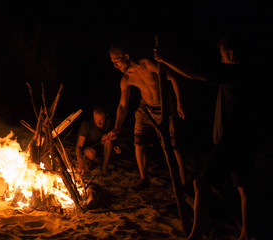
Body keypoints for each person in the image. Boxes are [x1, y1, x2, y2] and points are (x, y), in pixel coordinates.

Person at [155, 35, 257, 240]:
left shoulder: (235, 72)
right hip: (244, 139)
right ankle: (246, 234)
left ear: (230, 53)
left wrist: (166, 59)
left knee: (201, 182)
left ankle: (195, 235)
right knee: (244, 188)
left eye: (221, 53)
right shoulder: (244, 72)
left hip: (230, 141)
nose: (220, 57)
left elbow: (195, 74)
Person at [107, 44, 186, 190]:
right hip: (146, 109)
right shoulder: (126, 78)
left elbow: (173, 78)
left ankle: (183, 181)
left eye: (116, 61)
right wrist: (116, 128)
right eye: (112, 62)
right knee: (139, 143)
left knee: (174, 147)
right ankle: (144, 179)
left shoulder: (147, 64)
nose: (115, 65)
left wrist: (179, 103)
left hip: (165, 108)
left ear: (127, 56)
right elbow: (123, 105)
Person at [76, 105, 115, 176]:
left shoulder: (109, 123)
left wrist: (116, 146)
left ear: (106, 116)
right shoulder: (86, 125)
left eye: (101, 120)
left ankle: (104, 166)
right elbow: (78, 146)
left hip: (101, 148)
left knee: (108, 139)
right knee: (91, 154)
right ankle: (86, 161)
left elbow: (112, 139)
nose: (98, 123)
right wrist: (80, 163)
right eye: (96, 120)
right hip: (89, 150)